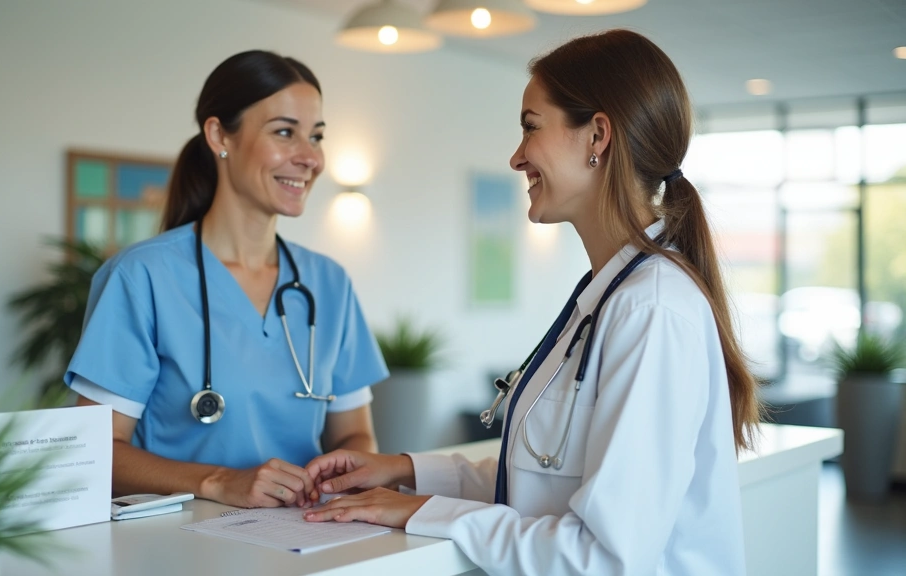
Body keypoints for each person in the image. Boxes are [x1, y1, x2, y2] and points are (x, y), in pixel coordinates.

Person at [303, 30, 761, 575]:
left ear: (597, 135)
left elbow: (604, 557)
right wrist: (402, 469)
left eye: (530, 127)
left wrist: (423, 510)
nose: (517, 157)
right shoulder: (610, 295)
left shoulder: (651, 310)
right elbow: (542, 475)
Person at [65, 50, 388, 509]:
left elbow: (354, 431)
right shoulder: (143, 277)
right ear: (220, 135)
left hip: (301, 541)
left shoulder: (328, 283)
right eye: (284, 132)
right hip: (178, 545)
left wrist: (343, 481)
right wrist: (219, 481)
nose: (309, 157)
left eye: (316, 136)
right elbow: (94, 450)